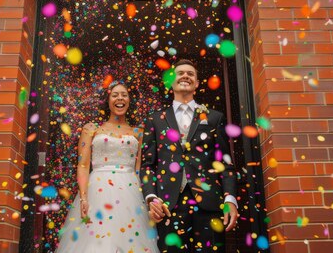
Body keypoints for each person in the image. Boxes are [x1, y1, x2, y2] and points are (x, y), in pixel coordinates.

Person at [140, 59, 240, 252]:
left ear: (196, 83)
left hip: (209, 204)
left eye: (190, 74)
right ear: (171, 81)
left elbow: (225, 165)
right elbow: (147, 165)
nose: (185, 76)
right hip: (169, 205)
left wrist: (230, 200)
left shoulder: (214, 117)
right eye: (180, 73)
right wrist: (151, 197)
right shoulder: (154, 119)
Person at [56, 82, 159, 253]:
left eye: (124, 95)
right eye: (115, 95)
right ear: (108, 100)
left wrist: (146, 200)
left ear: (130, 100)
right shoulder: (91, 129)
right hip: (98, 191)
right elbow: (82, 165)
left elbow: (140, 169)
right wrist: (83, 198)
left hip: (130, 192)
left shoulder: (139, 132)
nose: (120, 98)